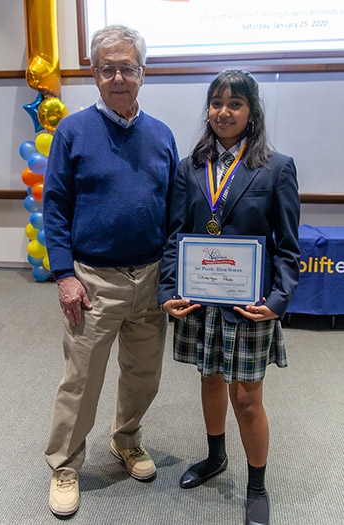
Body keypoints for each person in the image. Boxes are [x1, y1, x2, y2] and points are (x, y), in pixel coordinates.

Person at [43, 25, 179, 517]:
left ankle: (126, 440)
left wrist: (173, 277)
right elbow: (54, 206)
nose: (118, 76)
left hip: (150, 276)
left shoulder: (162, 135)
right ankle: (64, 464)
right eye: (107, 68)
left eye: (127, 67)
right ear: (94, 75)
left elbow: (173, 213)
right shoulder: (72, 131)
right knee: (81, 380)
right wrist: (64, 274)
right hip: (92, 280)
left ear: (143, 74)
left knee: (144, 375)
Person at [158, 69, 300, 525]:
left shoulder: (277, 167)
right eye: (216, 102)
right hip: (202, 301)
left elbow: (287, 248)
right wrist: (167, 289)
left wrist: (276, 303)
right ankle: (215, 457)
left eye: (234, 104)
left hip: (249, 307)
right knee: (209, 380)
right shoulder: (189, 166)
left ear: (252, 112)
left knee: (248, 398)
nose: (223, 111)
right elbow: (175, 235)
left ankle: (257, 486)